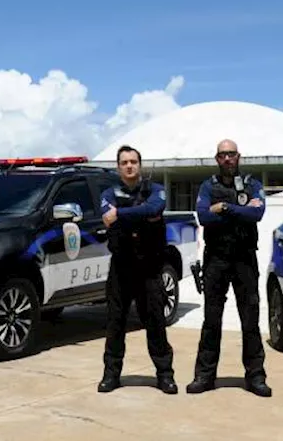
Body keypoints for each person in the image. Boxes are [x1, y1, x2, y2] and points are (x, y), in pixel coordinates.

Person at [186, 139, 271, 397]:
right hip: (216, 260)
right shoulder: (207, 186)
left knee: (250, 321)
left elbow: (256, 214)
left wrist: (223, 207)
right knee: (211, 320)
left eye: (231, 154)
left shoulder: (252, 184)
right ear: (217, 158)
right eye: (222, 155)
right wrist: (239, 210)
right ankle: (204, 376)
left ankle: (256, 377)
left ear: (238, 156)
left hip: (244, 259)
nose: (227, 159)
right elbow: (203, 216)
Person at [96, 144, 177, 394]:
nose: (129, 166)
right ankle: (111, 375)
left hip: (150, 267)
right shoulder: (108, 193)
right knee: (115, 323)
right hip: (122, 267)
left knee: (155, 322)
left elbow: (153, 209)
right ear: (118, 167)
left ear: (139, 165)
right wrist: (138, 215)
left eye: (133, 161)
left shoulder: (156, 191)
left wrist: (120, 213)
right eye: (124, 162)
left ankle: (165, 375)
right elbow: (109, 215)